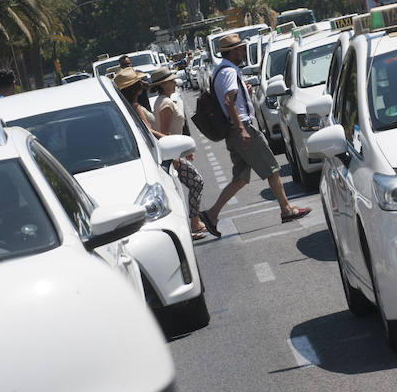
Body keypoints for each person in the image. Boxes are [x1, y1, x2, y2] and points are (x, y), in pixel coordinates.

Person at [199, 33, 310, 238]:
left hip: (233, 130)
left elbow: (230, 99)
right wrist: (242, 129)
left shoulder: (221, 71)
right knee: (272, 169)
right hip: (242, 129)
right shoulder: (230, 72)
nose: (242, 52)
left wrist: (245, 92)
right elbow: (228, 101)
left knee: (241, 178)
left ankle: (211, 214)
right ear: (232, 52)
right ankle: (286, 210)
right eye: (240, 49)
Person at [148, 66, 207, 240]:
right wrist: (174, 156)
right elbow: (165, 134)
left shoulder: (163, 100)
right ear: (163, 84)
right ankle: (194, 223)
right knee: (197, 182)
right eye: (171, 80)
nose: (175, 83)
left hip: (175, 153)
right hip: (171, 155)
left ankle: (193, 222)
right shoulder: (166, 103)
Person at [113, 67, 166, 139]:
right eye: (139, 81)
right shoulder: (135, 107)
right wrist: (168, 139)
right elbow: (149, 131)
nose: (142, 83)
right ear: (134, 87)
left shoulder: (122, 108)